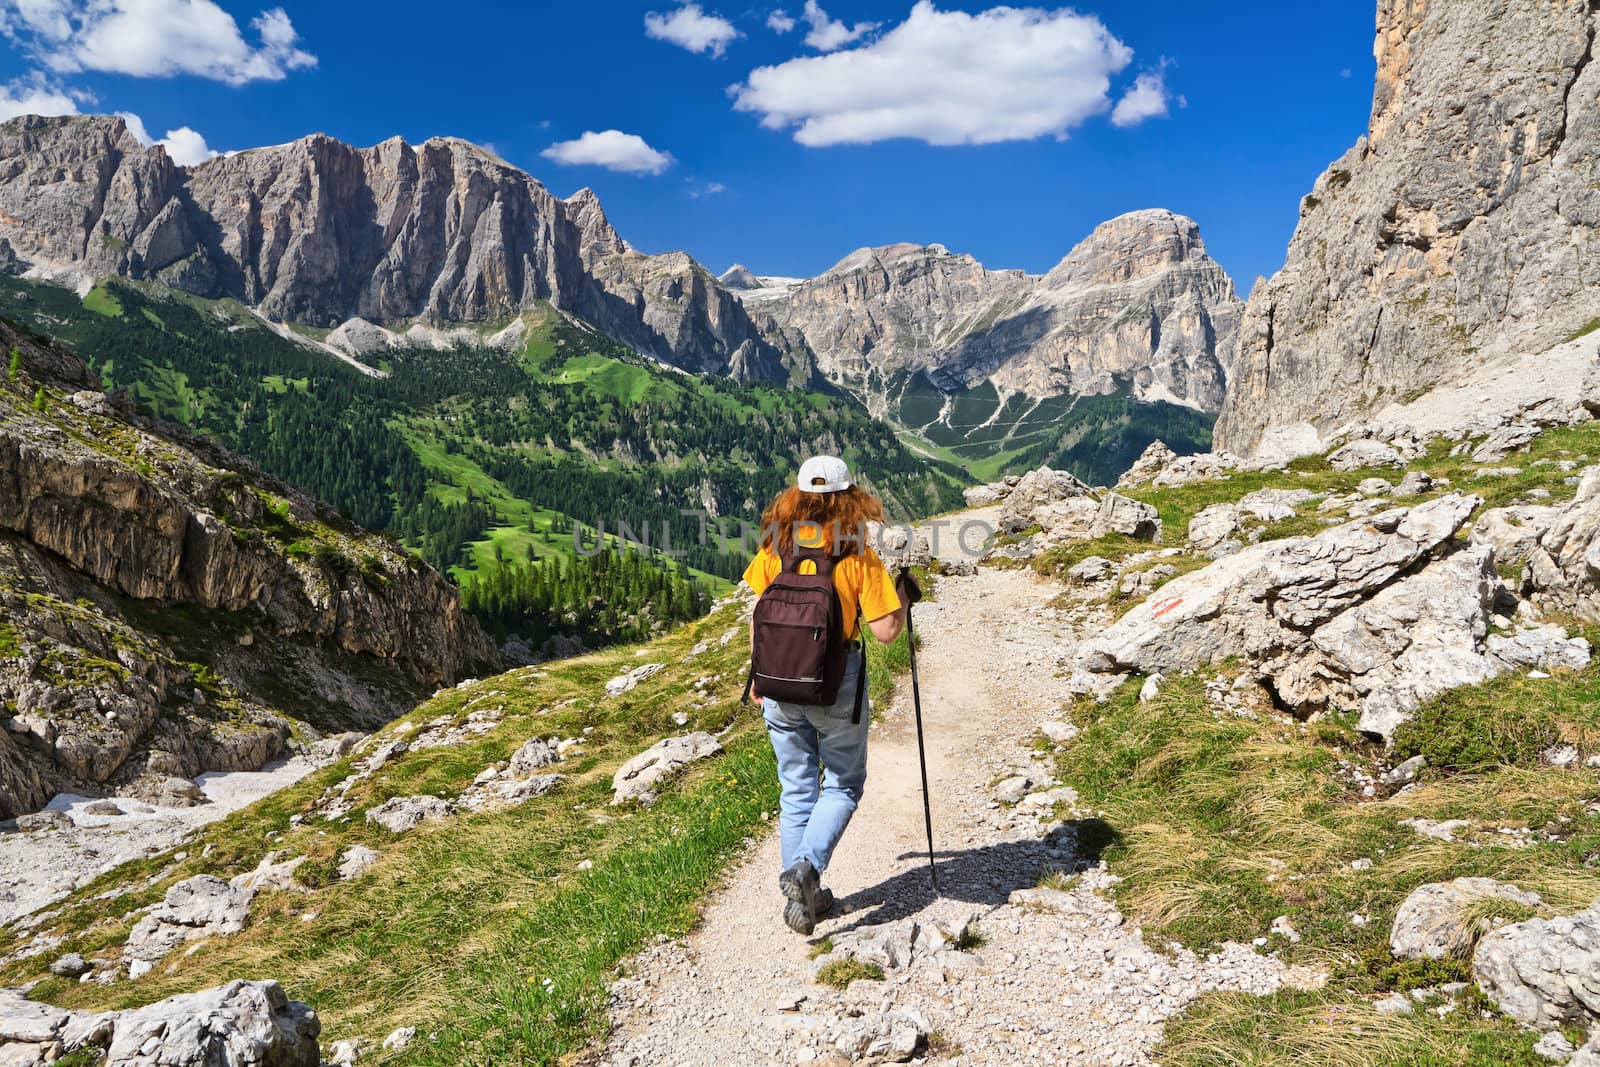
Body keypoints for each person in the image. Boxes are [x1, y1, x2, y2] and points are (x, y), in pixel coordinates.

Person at [742, 455, 914, 935]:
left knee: (796, 789)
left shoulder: (777, 546)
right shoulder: (855, 553)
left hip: (777, 682)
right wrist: (901, 594)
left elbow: (764, 609)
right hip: (835, 683)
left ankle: (806, 900)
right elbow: (884, 632)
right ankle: (806, 871)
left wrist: (756, 673)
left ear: (796, 496)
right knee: (842, 785)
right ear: (849, 498)